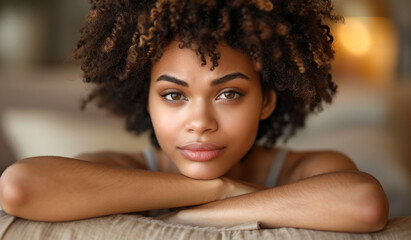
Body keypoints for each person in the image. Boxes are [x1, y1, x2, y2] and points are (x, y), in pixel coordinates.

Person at [0, 0, 388, 232]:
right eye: (173, 95)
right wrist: (218, 189)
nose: (200, 121)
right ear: (146, 103)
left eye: (229, 93)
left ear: (266, 101)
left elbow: (364, 203)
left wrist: (194, 213)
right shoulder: (118, 167)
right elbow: (19, 186)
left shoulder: (306, 169)